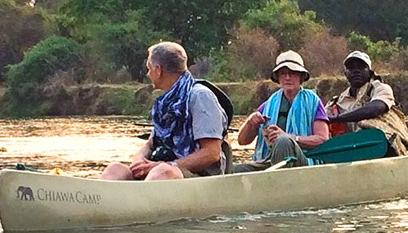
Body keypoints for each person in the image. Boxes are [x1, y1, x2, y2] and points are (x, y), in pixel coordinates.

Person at [101, 42, 226, 180]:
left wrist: (168, 165)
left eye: (149, 69)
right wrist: (139, 161)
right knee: (115, 169)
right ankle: (102, 199)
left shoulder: (200, 96)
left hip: (198, 175)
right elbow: (150, 144)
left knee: (163, 172)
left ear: (158, 70)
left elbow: (212, 153)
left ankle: (143, 199)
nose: (148, 74)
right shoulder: (165, 103)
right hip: (162, 168)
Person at [231, 51, 330, 173]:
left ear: (301, 77)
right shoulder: (269, 104)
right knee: (234, 170)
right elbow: (242, 141)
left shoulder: (313, 101)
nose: (287, 78)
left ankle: (279, 188)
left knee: (283, 141)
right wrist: (251, 123)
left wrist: (291, 138)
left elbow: (322, 139)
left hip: (303, 161)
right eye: (283, 74)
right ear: (278, 78)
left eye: (292, 73)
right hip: (268, 161)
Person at [326, 51, 408, 156]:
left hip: (388, 148)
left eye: (361, 67)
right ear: (345, 73)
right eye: (351, 68)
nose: (356, 71)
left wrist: (338, 118)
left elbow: (374, 109)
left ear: (369, 72)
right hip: (353, 152)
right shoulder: (336, 102)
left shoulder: (380, 89)